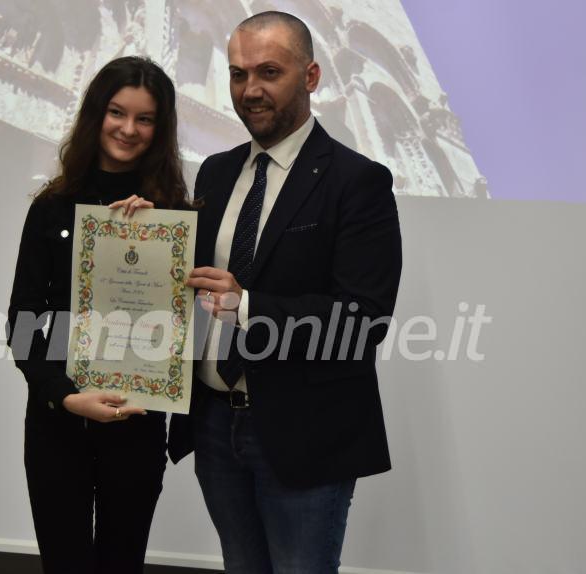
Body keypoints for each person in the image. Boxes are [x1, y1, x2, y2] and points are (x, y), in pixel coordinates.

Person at [169, 11, 403, 573]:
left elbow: (363, 320)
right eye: (237, 73)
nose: (249, 90)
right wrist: (139, 233)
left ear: (311, 76)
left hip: (305, 437)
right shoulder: (217, 174)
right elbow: (189, 285)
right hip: (216, 426)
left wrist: (245, 305)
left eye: (268, 71)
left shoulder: (358, 182)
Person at [6, 56, 190, 574]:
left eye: (145, 118)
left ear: (160, 128)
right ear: (96, 114)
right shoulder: (52, 206)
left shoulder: (176, 215)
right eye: (117, 112)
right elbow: (21, 323)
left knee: (121, 563)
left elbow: (188, 326)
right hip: (58, 420)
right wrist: (64, 395)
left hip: (137, 420)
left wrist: (161, 242)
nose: (128, 129)